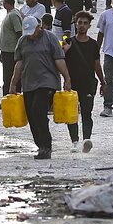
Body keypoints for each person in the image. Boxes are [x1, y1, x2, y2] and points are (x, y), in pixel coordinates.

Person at [10, 15, 72, 160]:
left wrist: (67, 79)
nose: (32, 35)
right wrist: (13, 83)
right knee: (31, 114)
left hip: (47, 82)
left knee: (38, 110)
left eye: (34, 31)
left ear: (40, 27)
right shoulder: (23, 41)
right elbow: (19, 63)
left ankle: (46, 146)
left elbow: (59, 60)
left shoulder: (50, 38)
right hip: (29, 83)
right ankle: (40, 145)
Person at [64, 11, 105, 153]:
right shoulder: (68, 42)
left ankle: (86, 140)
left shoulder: (93, 44)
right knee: (72, 114)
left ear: (89, 26)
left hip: (88, 84)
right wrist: (65, 51)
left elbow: (97, 64)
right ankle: (74, 142)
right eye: (79, 23)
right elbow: (58, 61)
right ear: (75, 24)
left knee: (87, 113)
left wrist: (103, 82)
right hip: (71, 84)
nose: (82, 26)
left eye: (85, 23)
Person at [0, 0, 23, 98]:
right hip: (6, 51)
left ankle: (11, 98)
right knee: (7, 77)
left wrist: (20, 51)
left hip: (12, 52)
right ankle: (7, 98)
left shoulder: (13, 15)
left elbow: (19, 33)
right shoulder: (10, 14)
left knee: (11, 77)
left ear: (5, 2)